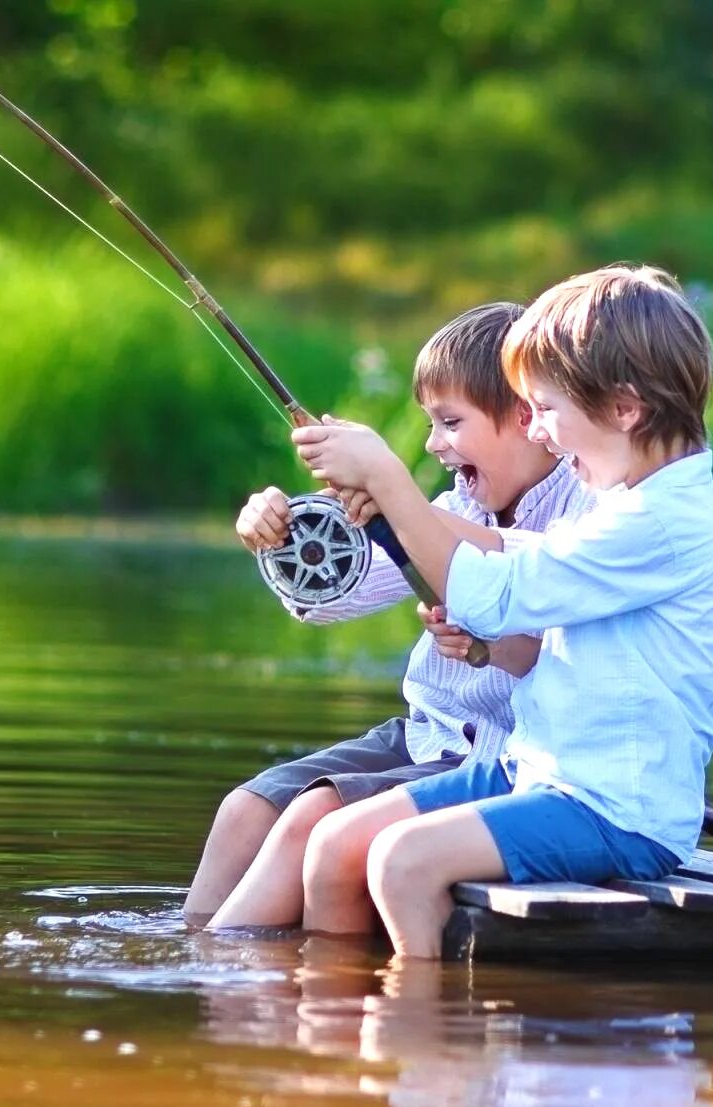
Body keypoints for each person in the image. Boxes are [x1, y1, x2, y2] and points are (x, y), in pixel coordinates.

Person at [288, 264, 713, 958]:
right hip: (535, 769)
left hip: (612, 808)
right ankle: (336, 1028)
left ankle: (422, 1044)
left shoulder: (662, 522)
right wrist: (400, 516)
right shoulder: (626, 501)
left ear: (624, 409)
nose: (537, 430)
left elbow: (496, 593)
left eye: (546, 409)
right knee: (335, 841)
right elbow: (519, 564)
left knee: (403, 861)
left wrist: (389, 478)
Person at [183, 302, 592, 930]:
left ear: (523, 416)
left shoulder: (583, 508)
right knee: (245, 809)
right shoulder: (458, 502)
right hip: (426, 735)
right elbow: (336, 598)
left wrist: (396, 496)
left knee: (307, 819)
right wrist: (287, 533)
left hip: (503, 758)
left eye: (451, 422)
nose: (434, 444)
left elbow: (535, 567)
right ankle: (190, 954)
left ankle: (225, 981)